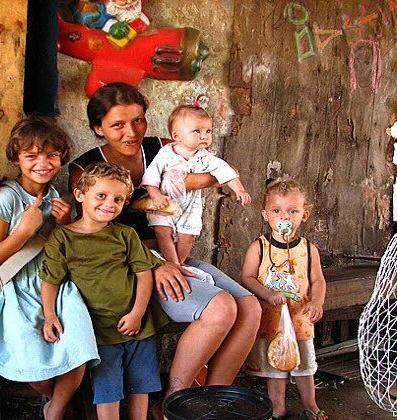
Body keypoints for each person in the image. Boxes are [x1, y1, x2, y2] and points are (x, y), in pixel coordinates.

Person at [68, 82, 262, 402]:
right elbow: (96, 236)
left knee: (250, 307)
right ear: (97, 128)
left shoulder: (163, 147)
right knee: (221, 308)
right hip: (128, 270)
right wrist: (153, 264)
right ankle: (177, 402)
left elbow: (210, 172)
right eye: (117, 125)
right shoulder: (85, 169)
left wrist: (202, 176)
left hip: (170, 254)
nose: (131, 132)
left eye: (138, 120)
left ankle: (211, 400)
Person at [0, 114, 99, 420]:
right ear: (17, 158)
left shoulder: (55, 196)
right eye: (31, 156)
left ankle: (55, 410)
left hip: (55, 283)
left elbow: (63, 249)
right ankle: (53, 399)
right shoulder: (5, 198)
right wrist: (22, 231)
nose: (42, 163)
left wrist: (64, 223)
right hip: (15, 286)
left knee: (79, 348)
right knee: (33, 363)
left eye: (51, 156)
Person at [41, 162, 169, 420]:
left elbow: (143, 274)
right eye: (101, 195)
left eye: (118, 199)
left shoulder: (125, 234)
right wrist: (50, 315)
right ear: (79, 195)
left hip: (137, 326)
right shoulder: (62, 238)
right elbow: (51, 280)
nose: (110, 203)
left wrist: (138, 313)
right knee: (107, 387)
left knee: (141, 385)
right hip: (97, 330)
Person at [241, 179, 327, 420]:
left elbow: (318, 280)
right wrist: (267, 294)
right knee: (275, 367)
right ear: (265, 214)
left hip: (300, 319)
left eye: (293, 211)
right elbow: (247, 277)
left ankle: (311, 404)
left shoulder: (309, 249)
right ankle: (277, 406)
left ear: (304, 215)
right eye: (276, 211)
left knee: (304, 365)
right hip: (272, 321)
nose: (284, 217)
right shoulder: (259, 247)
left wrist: (317, 302)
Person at [141, 103, 251, 265]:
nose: (204, 136)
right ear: (177, 136)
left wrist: (239, 190)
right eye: (197, 131)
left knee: (187, 237)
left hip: (190, 206)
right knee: (162, 231)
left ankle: (179, 262)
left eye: (208, 131)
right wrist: (155, 195)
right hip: (165, 202)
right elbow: (151, 176)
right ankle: (172, 264)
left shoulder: (206, 157)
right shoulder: (165, 153)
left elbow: (226, 171)